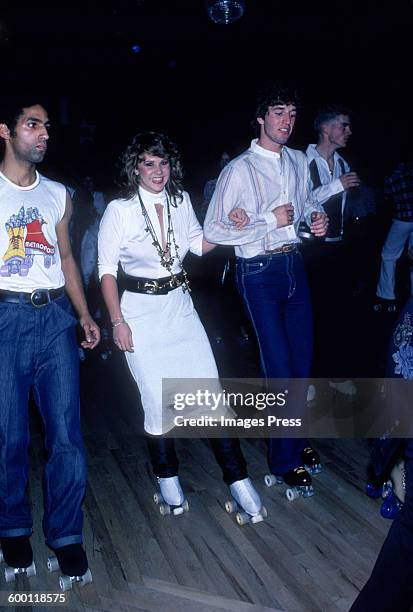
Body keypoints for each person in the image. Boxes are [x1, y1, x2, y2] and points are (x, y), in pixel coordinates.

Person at [98, 131, 266, 522]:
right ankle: (168, 482)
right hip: (139, 312)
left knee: (210, 395)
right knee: (158, 401)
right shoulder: (119, 211)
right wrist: (117, 322)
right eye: (149, 164)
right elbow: (106, 272)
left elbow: (198, 244)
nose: (158, 171)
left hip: (180, 307)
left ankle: (239, 479)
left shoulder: (180, 199)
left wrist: (227, 224)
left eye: (163, 163)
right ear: (135, 168)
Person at [203, 83, 328, 496]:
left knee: (302, 362)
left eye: (292, 113)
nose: (287, 122)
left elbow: (307, 203)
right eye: (278, 113)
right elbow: (214, 230)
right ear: (260, 119)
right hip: (257, 273)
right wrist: (267, 220)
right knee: (279, 367)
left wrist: (315, 218)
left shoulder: (295, 159)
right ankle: (284, 460)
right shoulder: (238, 170)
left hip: (294, 265)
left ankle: (297, 440)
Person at [0, 98, 100, 583]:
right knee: (9, 435)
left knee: (66, 436)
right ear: (5, 130)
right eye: (31, 125)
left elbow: (66, 258)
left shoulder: (59, 193)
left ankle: (67, 535)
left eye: (45, 127)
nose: (43, 134)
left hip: (56, 316)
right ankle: (13, 529)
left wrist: (83, 314)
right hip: (6, 319)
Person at [303, 105, 361, 394]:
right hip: (310, 252)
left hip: (338, 249)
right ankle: (309, 379)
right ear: (326, 129)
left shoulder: (343, 164)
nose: (349, 131)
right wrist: (336, 186)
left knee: (339, 314)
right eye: (344, 125)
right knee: (310, 316)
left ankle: (335, 376)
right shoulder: (300, 161)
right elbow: (302, 200)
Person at [374, 160, 413, 312]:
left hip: (402, 220)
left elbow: (387, 197)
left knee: (388, 255)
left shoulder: (391, 178)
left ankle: (387, 295)